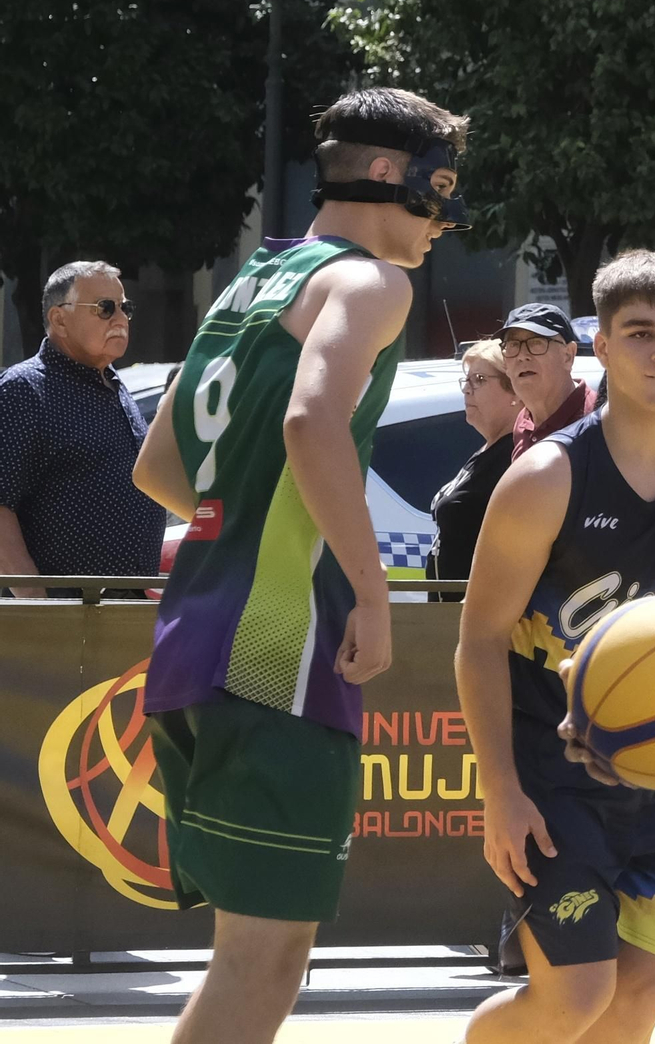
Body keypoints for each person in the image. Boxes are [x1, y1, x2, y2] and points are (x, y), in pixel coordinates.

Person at [129, 86, 469, 1044]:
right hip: (276, 641)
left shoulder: (256, 281)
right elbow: (311, 420)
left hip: (195, 634)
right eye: (439, 197)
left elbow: (161, 467)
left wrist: (242, 527)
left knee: (250, 953)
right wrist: (367, 585)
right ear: (388, 177)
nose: (445, 225)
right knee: (266, 957)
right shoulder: (371, 283)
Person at [453, 250, 655, 1044]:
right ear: (600, 346)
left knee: (637, 1004)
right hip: (552, 778)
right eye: (640, 332)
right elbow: (479, 641)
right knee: (576, 997)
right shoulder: (547, 479)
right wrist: (501, 793)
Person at [0, 261, 162, 598]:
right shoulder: (25, 389)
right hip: (61, 624)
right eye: (105, 308)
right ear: (59, 318)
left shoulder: (113, 386)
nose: (119, 319)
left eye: (124, 307)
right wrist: (39, 610)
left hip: (123, 615)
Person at [427, 338, 525, 602]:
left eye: (479, 379)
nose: (467, 390)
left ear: (515, 391)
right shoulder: (486, 450)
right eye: (467, 380)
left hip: (474, 613)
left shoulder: (516, 456)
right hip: (444, 613)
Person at [503, 302, 596, 459]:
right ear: (505, 364)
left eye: (536, 343)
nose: (522, 355)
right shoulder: (523, 422)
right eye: (513, 345)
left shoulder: (599, 422)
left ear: (568, 356)